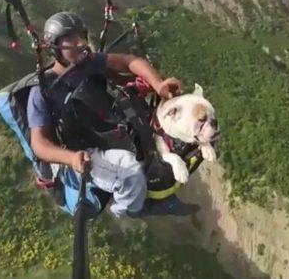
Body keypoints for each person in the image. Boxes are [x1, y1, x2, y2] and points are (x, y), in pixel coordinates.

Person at [27, 11, 183, 217]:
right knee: (131, 171)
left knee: (155, 134)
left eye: (81, 37)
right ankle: (131, 209)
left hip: (101, 129)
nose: (80, 44)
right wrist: (72, 158)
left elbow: (130, 61)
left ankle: (160, 190)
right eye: (70, 40)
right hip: (82, 150)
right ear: (55, 47)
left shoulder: (87, 63)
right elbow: (39, 144)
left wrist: (158, 84)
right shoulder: (42, 91)